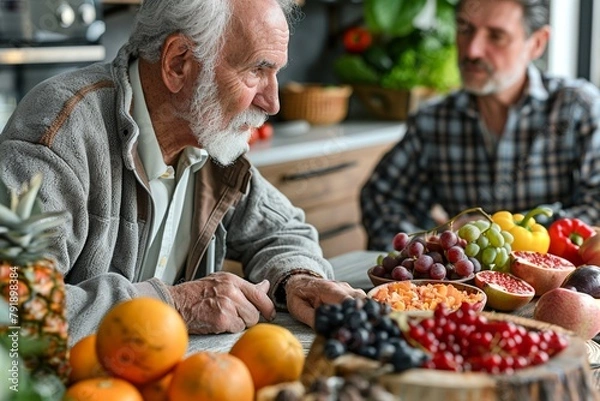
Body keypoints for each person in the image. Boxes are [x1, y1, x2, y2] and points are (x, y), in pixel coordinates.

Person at [0, 0, 365, 344]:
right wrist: (172, 305)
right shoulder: (59, 132)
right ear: (178, 63)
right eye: (257, 70)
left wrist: (298, 279)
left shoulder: (207, 139)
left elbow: (284, 230)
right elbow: (12, 310)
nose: (273, 102)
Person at [360, 0, 600, 252]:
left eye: (496, 36)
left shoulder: (578, 108)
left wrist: (501, 230)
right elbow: (381, 198)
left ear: (537, 43)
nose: (472, 50)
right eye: (465, 29)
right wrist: (424, 249)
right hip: (465, 286)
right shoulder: (433, 121)